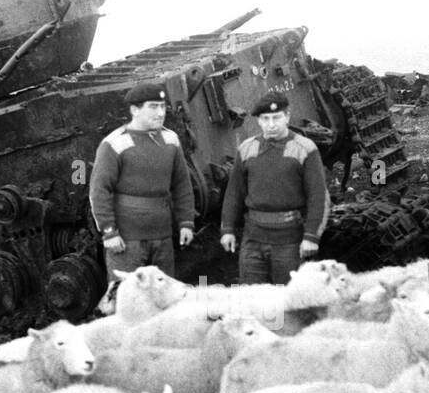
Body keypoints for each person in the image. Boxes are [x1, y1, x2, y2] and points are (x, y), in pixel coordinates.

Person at [88, 81, 195, 283]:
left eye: (162, 106)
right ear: (134, 110)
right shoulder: (115, 143)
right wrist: (109, 232)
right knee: (127, 297)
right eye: (153, 107)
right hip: (128, 241)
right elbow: (99, 190)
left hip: (162, 237)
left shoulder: (170, 140)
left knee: (164, 298)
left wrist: (186, 223)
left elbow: (182, 185)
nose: (160, 113)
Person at [219, 91, 329, 285]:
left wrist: (311, 236)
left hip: (288, 240)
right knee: (252, 296)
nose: (271, 124)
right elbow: (234, 193)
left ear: (287, 116)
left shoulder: (305, 148)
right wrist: (227, 228)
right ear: (258, 121)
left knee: (285, 299)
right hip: (252, 238)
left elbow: (318, 197)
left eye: (276, 118)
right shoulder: (246, 148)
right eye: (265, 119)